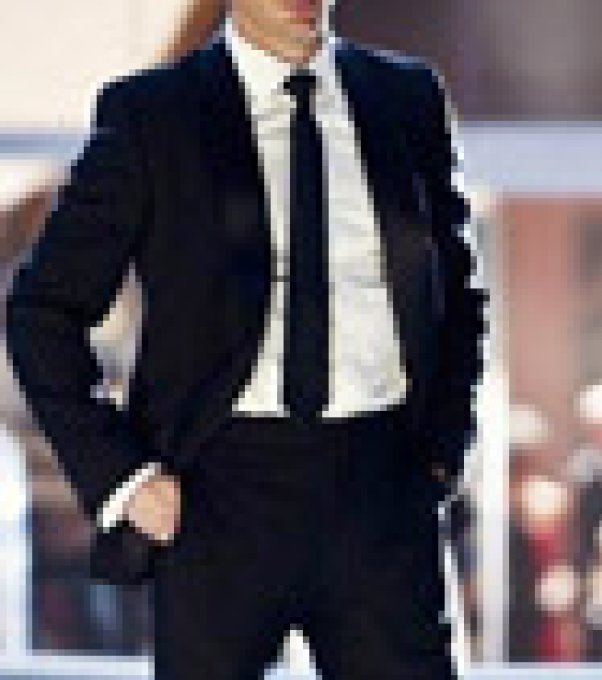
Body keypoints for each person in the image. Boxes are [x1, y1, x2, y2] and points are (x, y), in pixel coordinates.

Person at [5, 0, 485, 677]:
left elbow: (459, 294)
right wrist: (123, 477)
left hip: (382, 489)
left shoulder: (406, 98)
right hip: (218, 493)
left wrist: (442, 449)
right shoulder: (155, 114)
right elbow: (43, 311)